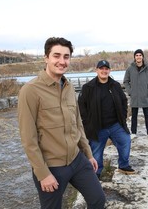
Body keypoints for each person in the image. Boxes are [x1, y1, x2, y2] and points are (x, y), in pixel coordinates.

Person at [18, 37, 106, 209]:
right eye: (56, 56)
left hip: (77, 160)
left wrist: (88, 154)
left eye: (66, 57)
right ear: (46, 58)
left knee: (98, 200)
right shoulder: (30, 91)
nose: (62, 61)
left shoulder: (69, 87)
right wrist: (42, 174)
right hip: (52, 166)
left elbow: (78, 124)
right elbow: (28, 138)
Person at [78, 60, 135, 178]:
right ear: (96, 70)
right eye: (101, 68)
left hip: (115, 125)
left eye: (106, 69)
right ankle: (96, 173)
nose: (104, 71)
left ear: (109, 70)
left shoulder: (115, 85)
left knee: (126, 141)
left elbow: (124, 101)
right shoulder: (88, 87)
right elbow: (81, 107)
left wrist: (123, 118)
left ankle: (123, 165)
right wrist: (88, 124)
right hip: (97, 127)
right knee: (96, 153)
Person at [123, 49, 148, 140]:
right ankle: (133, 133)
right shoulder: (130, 69)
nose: (138, 57)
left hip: (145, 96)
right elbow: (126, 81)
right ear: (134, 57)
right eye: (136, 55)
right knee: (134, 115)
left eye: (140, 55)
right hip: (134, 96)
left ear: (142, 57)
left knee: (147, 115)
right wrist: (130, 92)